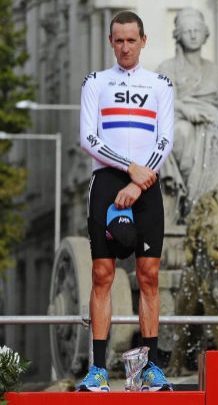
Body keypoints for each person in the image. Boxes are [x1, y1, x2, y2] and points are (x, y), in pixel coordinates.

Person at [77, 10, 174, 392]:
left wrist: (139, 180)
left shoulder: (160, 84)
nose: (125, 47)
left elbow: (165, 139)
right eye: (118, 40)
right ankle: (98, 369)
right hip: (107, 182)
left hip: (146, 185)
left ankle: (150, 367)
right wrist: (128, 170)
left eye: (131, 40)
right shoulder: (95, 82)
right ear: (110, 42)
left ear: (144, 41)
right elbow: (89, 138)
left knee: (149, 277)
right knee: (102, 275)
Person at [157, 8, 218, 208]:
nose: (193, 34)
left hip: (211, 123)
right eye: (188, 31)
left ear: (205, 34)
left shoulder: (215, 71)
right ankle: (189, 197)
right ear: (178, 35)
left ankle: (213, 200)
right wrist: (185, 110)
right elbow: (162, 101)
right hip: (181, 122)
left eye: (197, 30)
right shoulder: (167, 68)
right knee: (183, 132)